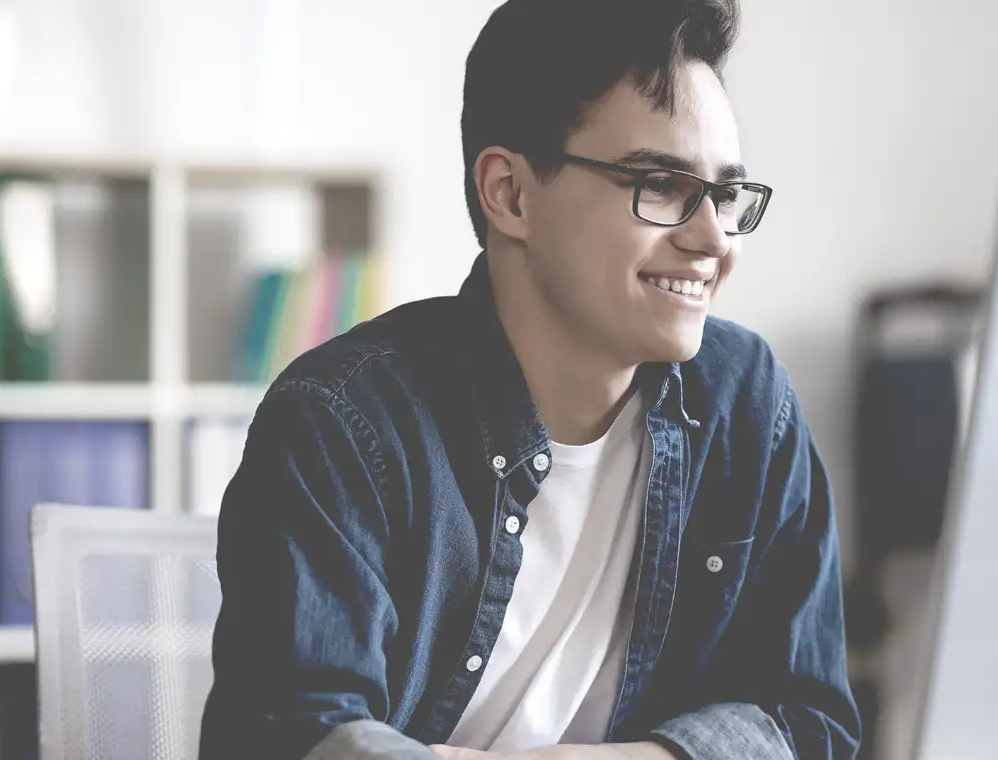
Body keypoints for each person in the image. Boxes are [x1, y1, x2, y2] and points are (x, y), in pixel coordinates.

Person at [198, 0, 860, 758]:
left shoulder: (746, 403)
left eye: (725, 194)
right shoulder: (345, 424)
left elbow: (811, 724)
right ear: (510, 193)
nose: (713, 239)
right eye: (661, 185)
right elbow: (295, 739)